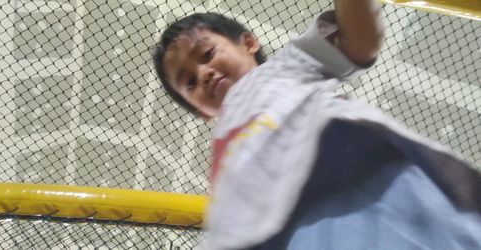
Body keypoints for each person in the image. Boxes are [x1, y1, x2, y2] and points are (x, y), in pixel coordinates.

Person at [154, 0, 481, 249]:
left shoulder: (286, 66)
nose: (204, 74)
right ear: (201, 112)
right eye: (189, 83)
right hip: (295, 231)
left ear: (248, 43)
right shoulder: (225, 157)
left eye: (207, 54)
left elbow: (360, 41)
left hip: (370, 180)